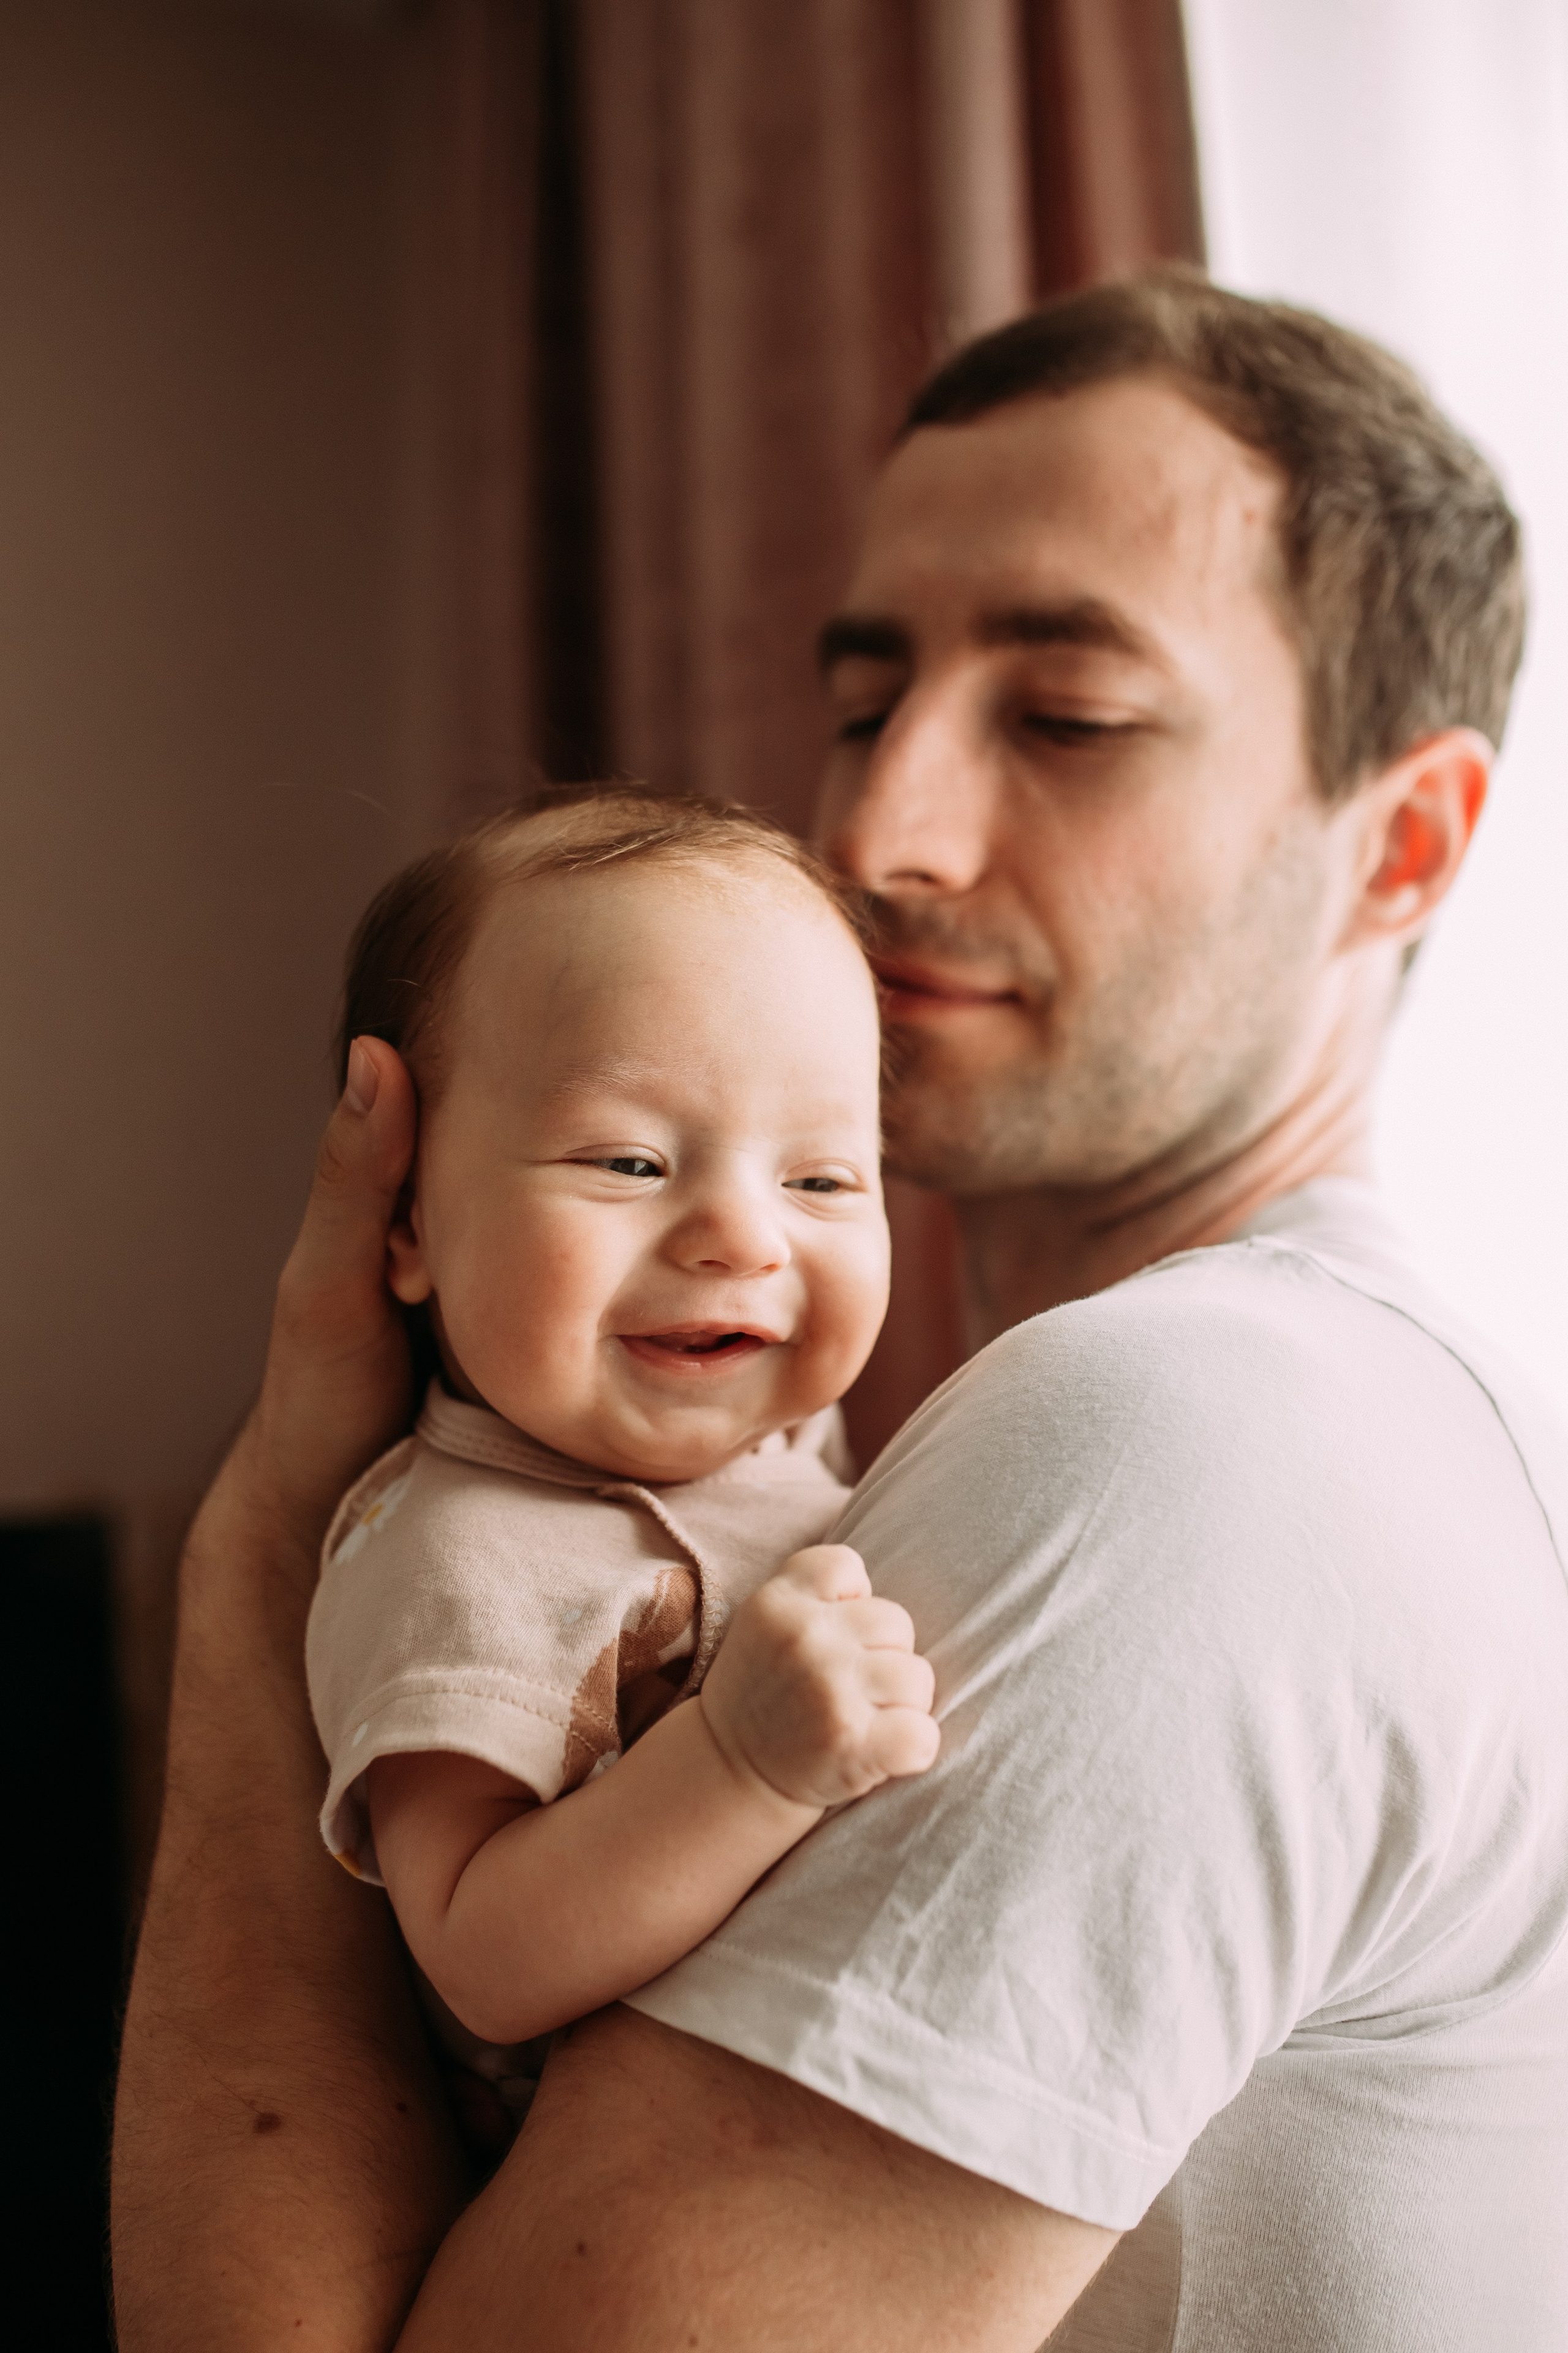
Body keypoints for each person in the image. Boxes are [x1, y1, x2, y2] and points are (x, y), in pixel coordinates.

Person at [112, 271, 1568, 2351]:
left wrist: (269, 1552)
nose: (876, 833)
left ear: (1402, 843)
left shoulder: (1194, 1438)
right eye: (870, 704)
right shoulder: (1288, 1408)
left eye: (1065, 719)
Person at [305, 789, 937, 2129]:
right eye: (631, 1160)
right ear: (407, 1221)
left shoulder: (784, 1438)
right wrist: (737, 1764)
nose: (739, 1237)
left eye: (822, 1180)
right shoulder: (460, 1551)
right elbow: (479, 1954)